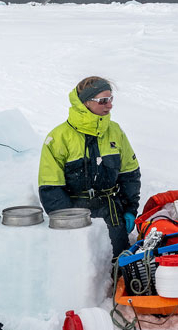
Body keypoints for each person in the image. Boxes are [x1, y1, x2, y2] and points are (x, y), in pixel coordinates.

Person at [38, 76, 141, 258]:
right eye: (103, 100)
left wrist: (130, 209)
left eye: (111, 99)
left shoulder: (115, 132)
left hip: (113, 215)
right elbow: (50, 189)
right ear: (85, 102)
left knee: (120, 269)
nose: (109, 105)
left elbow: (130, 175)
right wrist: (73, 224)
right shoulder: (58, 137)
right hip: (77, 218)